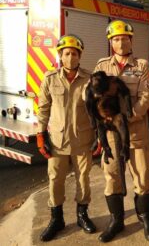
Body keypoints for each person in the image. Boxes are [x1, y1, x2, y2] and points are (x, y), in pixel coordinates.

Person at [94, 20, 149, 242]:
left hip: (137, 131)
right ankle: (116, 220)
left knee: (142, 176)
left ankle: (145, 218)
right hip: (111, 133)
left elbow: (146, 97)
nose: (120, 43)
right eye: (116, 39)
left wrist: (128, 116)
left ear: (131, 40)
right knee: (112, 177)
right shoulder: (101, 66)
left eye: (124, 38)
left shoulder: (142, 65)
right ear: (111, 42)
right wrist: (105, 117)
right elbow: (95, 96)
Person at [37, 34, 96, 242]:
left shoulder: (90, 79)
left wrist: (99, 136)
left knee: (83, 179)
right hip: (57, 141)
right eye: (67, 53)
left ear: (80, 56)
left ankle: (82, 215)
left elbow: (96, 109)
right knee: (55, 179)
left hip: (83, 139)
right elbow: (43, 108)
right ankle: (57, 219)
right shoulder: (50, 78)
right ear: (60, 56)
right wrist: (40, 135)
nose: (70, 57)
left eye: (74, 54)